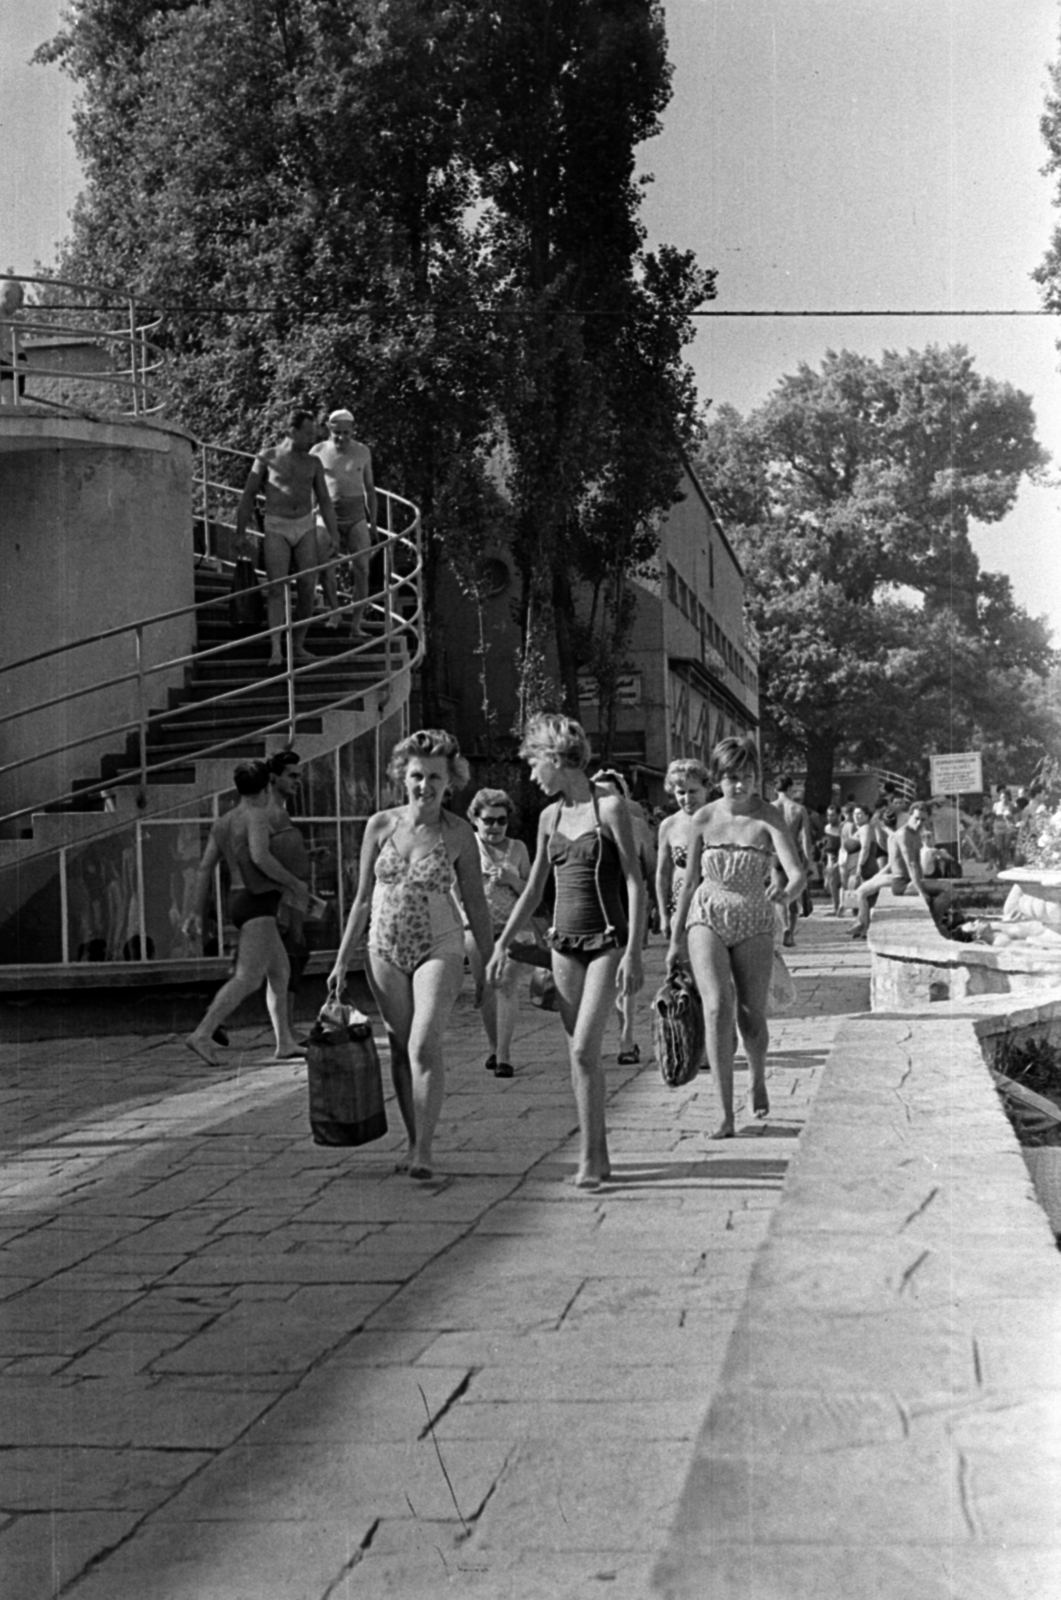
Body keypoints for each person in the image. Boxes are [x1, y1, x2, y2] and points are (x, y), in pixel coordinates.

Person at [486, 715, 646, 1190]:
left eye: (534, 763)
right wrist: (501, 943)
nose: (532, 774)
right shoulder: (548, 817)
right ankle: (598, 1154)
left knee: (582, 1049)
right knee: (581, 1057)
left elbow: (635, 883)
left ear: (556, 758)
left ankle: (589, 1156)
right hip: (563, 944)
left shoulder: (610, 808)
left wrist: (636, 950)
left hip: (606, 941)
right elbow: (535, 888)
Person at [327, 730, 493, 1181]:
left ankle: (425, 1149)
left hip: (439, 945)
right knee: (400, 1047)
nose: (426, 786)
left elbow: (475, 903)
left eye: (435, 777)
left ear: (451, 780)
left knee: (423, 1043)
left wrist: (488, 963)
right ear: (404, 776)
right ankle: (412, 1139)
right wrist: (341, 961)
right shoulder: (380, 825)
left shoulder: (458, 833)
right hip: (383, 948)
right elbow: (361, 899)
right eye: (418, 776)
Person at [668, 736, 806, 1139]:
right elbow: (689, 881)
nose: (740, 786)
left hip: (754, 915)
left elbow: (796, 872)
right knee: (715, 1008)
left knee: (751, 1013)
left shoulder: (769, 817)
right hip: (707, 912)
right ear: (718, 779)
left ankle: (757, 1076)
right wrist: (675, 938)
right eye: (731, 778)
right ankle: (725, 1113)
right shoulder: (703, 819)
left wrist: (786, 892)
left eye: (747, 777)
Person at [182, 760, 310, 1066]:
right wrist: (295, 884)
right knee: (248, 978)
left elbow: (204, 869)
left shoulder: (223, 821)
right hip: (257, 902)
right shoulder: (256, 816)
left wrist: (195, 912)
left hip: (239, 900)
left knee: (279, 972)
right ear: (266, 786)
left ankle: (285, 1043)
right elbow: (260, 857)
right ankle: (202, 1033)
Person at [235, 409, 339, 669]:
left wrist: (334, 533)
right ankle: (276, 649)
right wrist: (239, 532)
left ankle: (298, 644)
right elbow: (248, 495)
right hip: (277, 526)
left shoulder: (313, 462)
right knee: (276, 587)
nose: (311, 439)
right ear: (292, 431)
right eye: (307, 434)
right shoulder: (267, 457)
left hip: (304, 525)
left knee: (307, 587)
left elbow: (324, 500)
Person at [465, 788, 531, 1080]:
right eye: (488, 820)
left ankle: (504, 1054)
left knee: (505, 984)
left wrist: (511, 878)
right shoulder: (466, 846)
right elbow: (454, 889)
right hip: (476, 928)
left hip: (511, 928)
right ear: (475, 819)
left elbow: (531, 891)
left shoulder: (518, 849)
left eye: (501, 820)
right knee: (484, 988)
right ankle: (492, 1045)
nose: (495, 827)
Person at [592, 767, 655, 1064]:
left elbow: (650, 869)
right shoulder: (582, 826)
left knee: (625, 975)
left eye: (609, 793)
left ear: (622, 796)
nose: (603, 799)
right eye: (598, 792)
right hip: (593, 908)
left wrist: (656, 908)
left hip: (626, 903)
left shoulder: (637, 826)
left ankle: (627, 1038)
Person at [311, 408, 378, 636]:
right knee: (324, 562)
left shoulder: (362, 452)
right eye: (337, 433)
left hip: (356, 514)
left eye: (346, 433)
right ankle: (334, 611)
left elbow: (369, 489)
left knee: (362, 569)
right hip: (327, 512)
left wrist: (374, 522)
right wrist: (310, 513)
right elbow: (310, 485)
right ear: (330, 430)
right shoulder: (318, 451)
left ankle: (356, 625)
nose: (342, 438)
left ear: (353, 431)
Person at [851, 800, 955, 938]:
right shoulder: (904, 834)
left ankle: (862, 923)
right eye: (916, 818)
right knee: (947, 888)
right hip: (903, 883)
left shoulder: (913, 834)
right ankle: (933, 926)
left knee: (863, 890)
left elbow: (893, 863)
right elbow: (911, 864)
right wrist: (920, 891)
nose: (919, 823)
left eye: (923, 820)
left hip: (903, 878)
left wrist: (874, 879)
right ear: (909, 815)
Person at [266, 750, 313, 1033]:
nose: (297, 781)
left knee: (294, 957)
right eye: (292, 775)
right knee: (286, 961)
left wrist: (307, 856)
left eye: (299, 775)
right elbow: (261, 856)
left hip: (293, 897)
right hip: (280, 898)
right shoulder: (269, 814)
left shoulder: (281, 812)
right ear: (274, 778)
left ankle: (287, 1026)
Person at [655, 758, 711, 938]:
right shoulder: (669, 825)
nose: (687, 798)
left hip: (715, 905)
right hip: (681, 907)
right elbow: (663, 873)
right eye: (681, 792)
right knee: (683, 964)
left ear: (706, 788)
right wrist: (663, 914)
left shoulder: (719, 819)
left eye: (693, 791)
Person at [774, 774, 813, 946]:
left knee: (778, 893)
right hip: (793, 855)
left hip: (775, 855)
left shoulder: (770, 808)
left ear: (776, 789)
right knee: (792, 894)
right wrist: (808, 861)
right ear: (789, 788)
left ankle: (784, 927)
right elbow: (805, 838)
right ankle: (791, 928)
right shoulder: (798, 809)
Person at [819, 803, 844, 914]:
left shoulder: (843, 828)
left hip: (840, 859)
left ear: (839, 815)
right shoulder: (827, 828)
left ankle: (837, 907)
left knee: (834, 883)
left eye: (832, 815)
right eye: (828, 815)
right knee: (828, 885)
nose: (830, 818)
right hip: (829, 859)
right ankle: (838, 905)